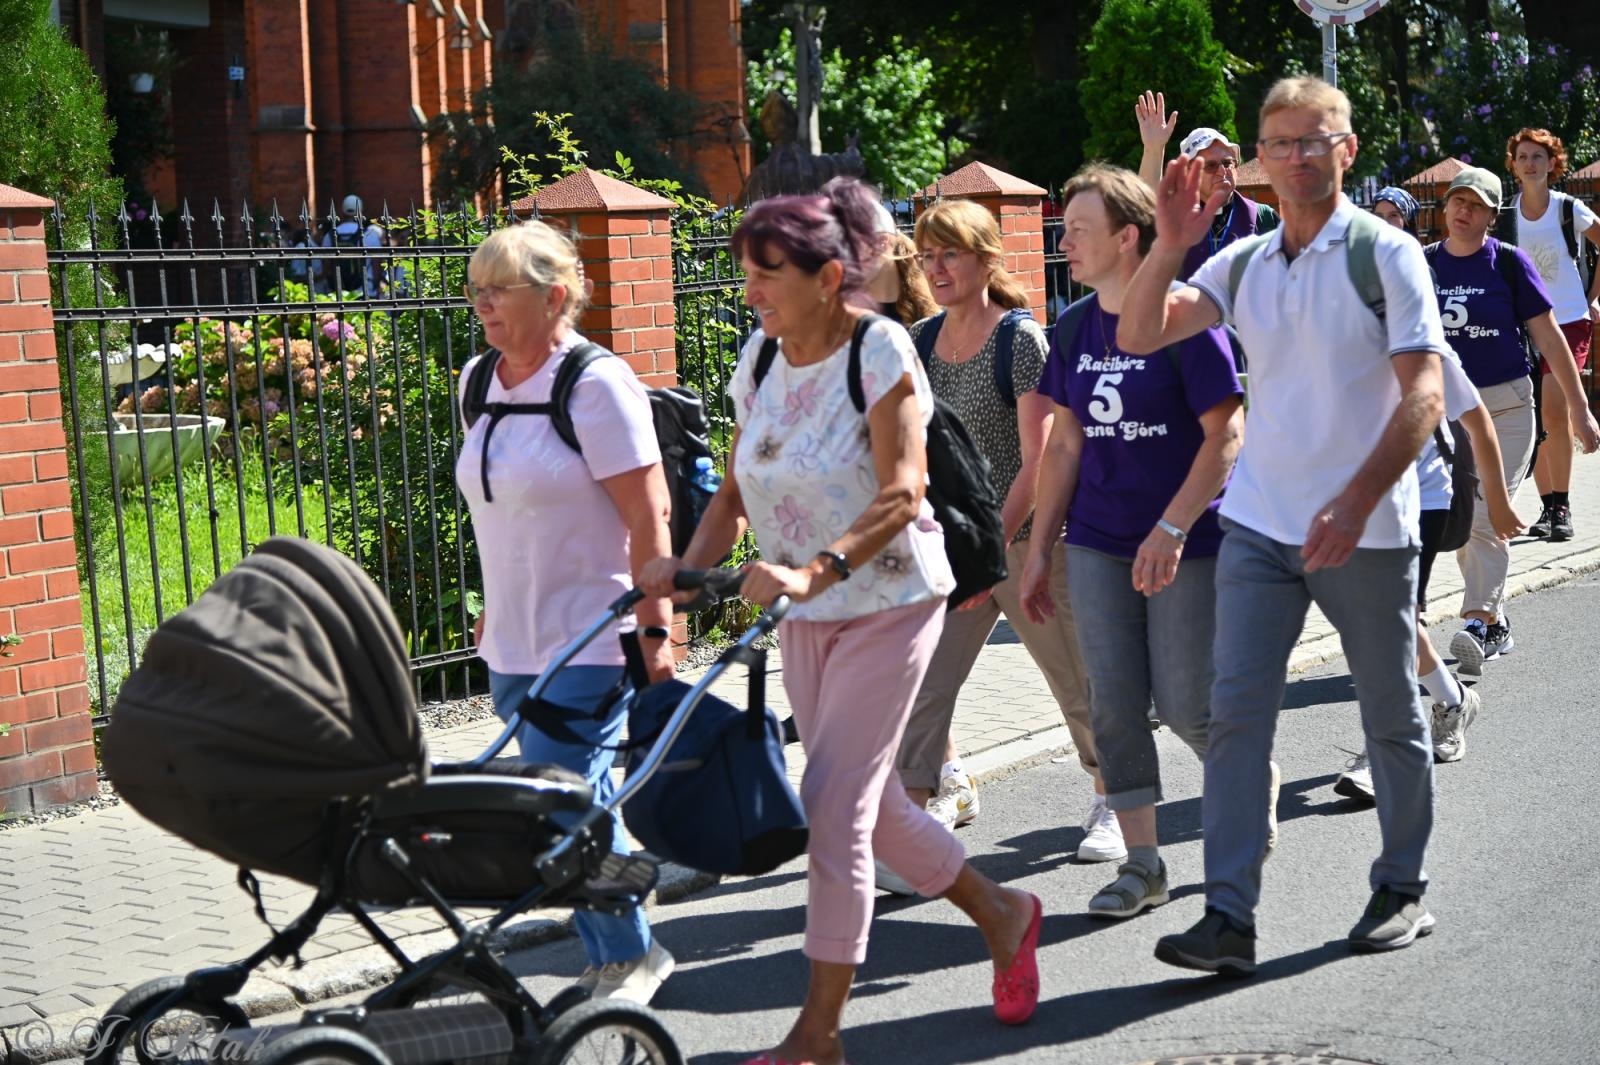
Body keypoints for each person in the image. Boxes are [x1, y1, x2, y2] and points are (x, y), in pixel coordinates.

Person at [641, 178, 1043, 1063]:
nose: (751, 291)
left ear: (828, 277)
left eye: (767, 274)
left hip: (892, 601)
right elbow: (739, 489)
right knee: (871, 801)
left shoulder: (881, 349)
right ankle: (1003, 910)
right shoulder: (759, 359)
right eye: (746, 272)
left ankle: (818, 1035)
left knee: (832, 805)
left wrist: (814, 568)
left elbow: (905, 490)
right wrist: (682, 575)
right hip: (805, 610)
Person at [1120, 76, 1447, 973]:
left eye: (1316, 140)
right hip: (1262, 527)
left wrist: (1356, 497)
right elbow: (1142, 332)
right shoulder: (1244, 263)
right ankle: (1228, 915)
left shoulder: (1385, 254)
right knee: (1235, 720)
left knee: (1389, 714)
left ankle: (1403, 884)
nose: (1298, 155)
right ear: (1259, 162)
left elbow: (1423, 392)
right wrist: (1168, 243)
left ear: (1346, 149)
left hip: (1368, 528)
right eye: (1281, 143)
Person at [456, 220, 676, 1004]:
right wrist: (492, 608)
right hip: (512, 639)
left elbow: (649, 513)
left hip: (589, 633)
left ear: (554, 296)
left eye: (498, 290)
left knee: (566, 805)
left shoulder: (596, 384)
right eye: (476, 289)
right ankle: (621, 921)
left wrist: (656, 626)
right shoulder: (477, 381)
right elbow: (500, 510)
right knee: (562, 805)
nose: (482, 304)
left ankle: (630, 954)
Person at [1021, 164, 1244, 920]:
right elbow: (1063, 446)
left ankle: (1249, 774)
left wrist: (1173, 525)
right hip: (1096, 540)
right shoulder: (1075, 325)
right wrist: (1035, 548)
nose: (1064, 241)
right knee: (1111, 702)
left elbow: (1227, 435)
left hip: (1185, 539)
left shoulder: (1187, 320)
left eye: (1078, 229)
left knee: (1185, 703)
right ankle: (1144, 865)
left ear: (1127, 237)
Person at [881, 197, 1112, 899]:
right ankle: (915, 826)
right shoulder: (918, 342)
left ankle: (1111, 797)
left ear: (986, 260)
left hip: (1028, 543)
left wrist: (999, 541)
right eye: (928, 254)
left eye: (951, 252)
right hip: (951, 553)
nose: (937, 266)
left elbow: (1039, 459)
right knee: (923, 687)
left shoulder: (1019, 341)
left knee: (1077, 682)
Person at [1335, 188, 1525, 799]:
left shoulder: (1426, 347)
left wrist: (1497, 501)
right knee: (1394, 624)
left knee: (1387, 626)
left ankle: (1380, 749)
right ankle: (1452, 700)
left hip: (1423, 496)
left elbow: (1478, 423)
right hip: (1365, 503)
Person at [1427, 167, 1600, 678]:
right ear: (1445, 208)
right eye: (1458, 201)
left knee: (1484, 513)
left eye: (1476, 205)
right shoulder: (1420, 265)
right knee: (1458, 522)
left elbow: (1551, 341)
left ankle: (1478, 620)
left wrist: (1579, 408)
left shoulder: (1508, 264)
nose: (1465, 211)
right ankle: (1497, 621)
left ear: (1490, 216)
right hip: (1442, 415)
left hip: (1504, 408)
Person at [1501, 128, 1600, 540]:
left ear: (1552, 163)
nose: (1529, 163)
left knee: (1555, 410)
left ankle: (1562, 504)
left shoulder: (1568, 209)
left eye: (1538, 156)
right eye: (1522, 156)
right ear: (1514, 165)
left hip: (1571, 319)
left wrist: (1595, 297)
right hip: (1526, 325)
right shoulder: (1507, 214)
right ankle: (1548, 509)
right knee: (1536, 417)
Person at [1135, 91, 1279, 281]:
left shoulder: (1264, 217)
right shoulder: (1175, 219)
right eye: (1211, 166)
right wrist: (1153, 150)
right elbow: (1144, 211)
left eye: (1228, 163)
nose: (1222, 171)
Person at [323, 194, 386, 297]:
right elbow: (377, 267)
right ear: (360, 211)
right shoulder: (370, 235)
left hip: (338, 294)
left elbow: (326, 268)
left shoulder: (329, 236)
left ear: (342, 211)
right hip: (366, 291)